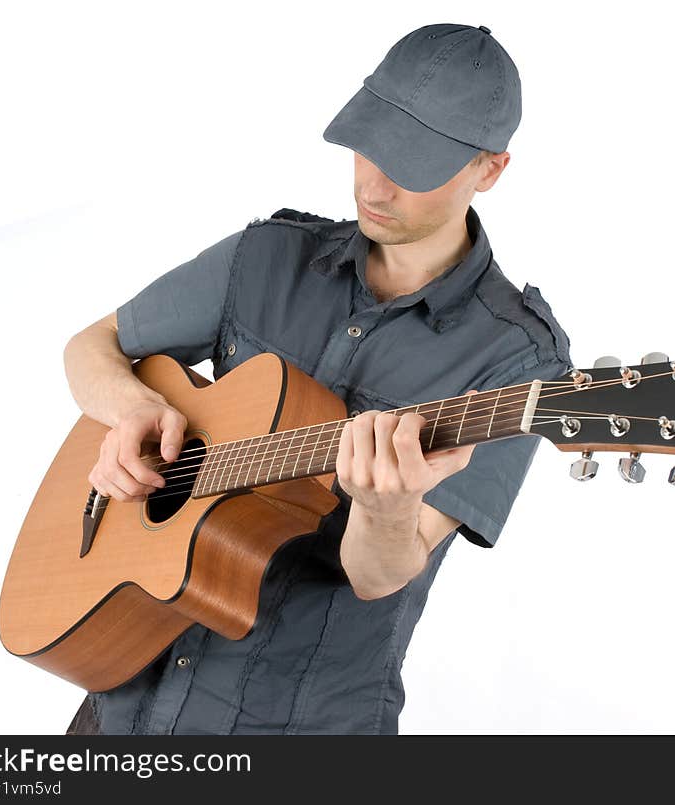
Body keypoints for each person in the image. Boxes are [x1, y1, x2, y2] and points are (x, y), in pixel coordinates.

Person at [63, 22, 572, 736]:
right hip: (123, 700)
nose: (375, 182)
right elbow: (94, 346)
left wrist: (386, 509)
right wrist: (132, 410)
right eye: (369, 143)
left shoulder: (517, 363)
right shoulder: (265, 257)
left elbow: (376, 576)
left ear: (489, 170)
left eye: (414, 162)